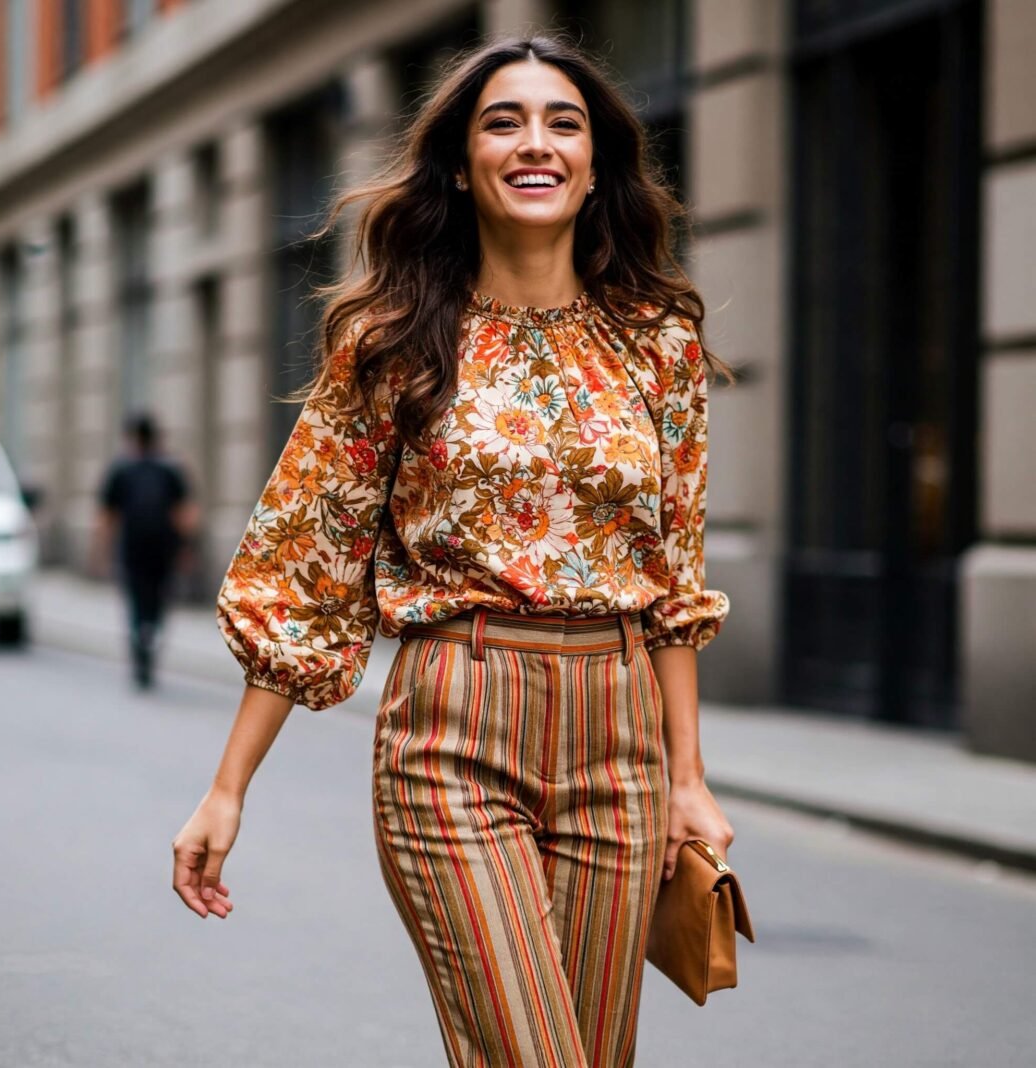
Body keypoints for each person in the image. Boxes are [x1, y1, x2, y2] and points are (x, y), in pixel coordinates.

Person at [171, 32, 738, 1067]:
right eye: (503, 121)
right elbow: (311, 562)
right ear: (463, 163)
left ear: (596, 160)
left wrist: (689, 778)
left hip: (622, 740)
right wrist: (227, 788)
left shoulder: (657, 341)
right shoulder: (392, 337)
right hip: (455, 730)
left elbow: (674, 577)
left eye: (563, 122)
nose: (536, 142)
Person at [93, 412, 197, 689]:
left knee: (137, 602)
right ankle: (151, 636)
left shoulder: (122, 470)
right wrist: (187, 549)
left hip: (133, 549)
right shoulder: (170, 470)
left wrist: (101, 552)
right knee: (158, 601)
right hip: (163, 550)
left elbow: (107, 516)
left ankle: (142, 642)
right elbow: (184, 514)